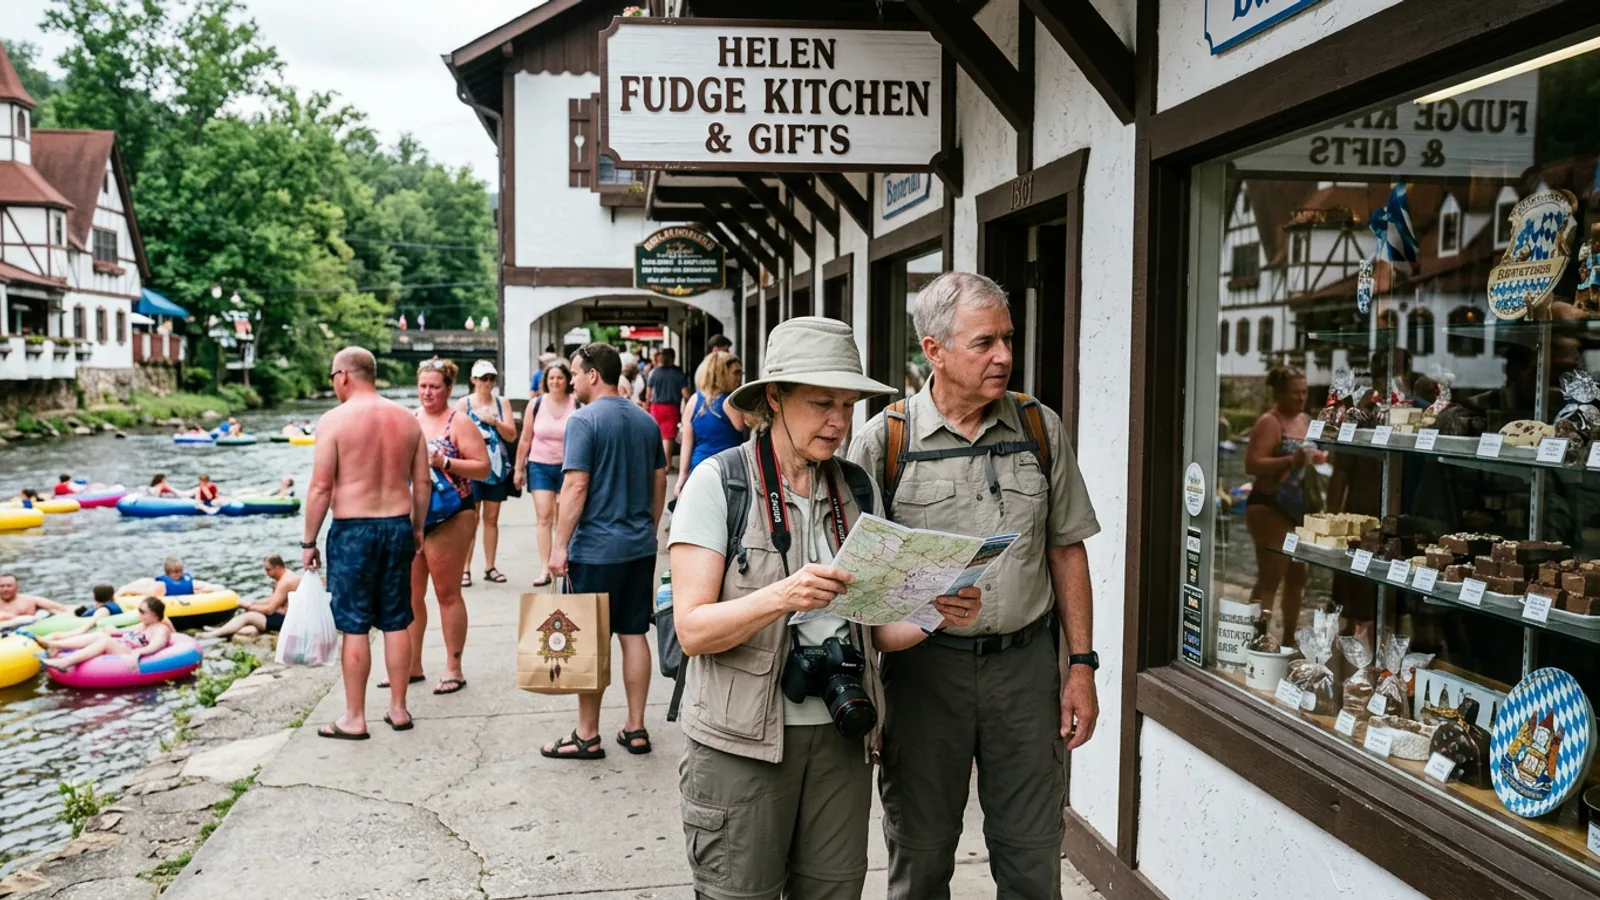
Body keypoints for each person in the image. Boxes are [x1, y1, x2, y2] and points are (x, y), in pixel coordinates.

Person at [670, 316, 981, 898]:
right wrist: (781, 596)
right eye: (821, 403)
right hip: (742, 748)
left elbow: (873, 632)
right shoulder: (719, 484)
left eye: (847, 404)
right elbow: (691, 630)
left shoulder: (858, 489)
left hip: (844, 734)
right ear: (773, 399)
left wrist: (931, 611)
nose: (839, 421)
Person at [848, 272, 1102, 900]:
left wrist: (1081, 667)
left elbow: (1067, 550)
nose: (1005, 356)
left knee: (1031, 856)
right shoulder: (886, 440)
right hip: (923, 677)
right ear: (933, 350)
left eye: (1008, 339)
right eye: (985, 342)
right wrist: (871, 690)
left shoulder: (1039, 429)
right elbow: (857, 583)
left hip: (1026, 674)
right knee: (921, 855)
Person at [540, 342, 665, 760]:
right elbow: (658, 482)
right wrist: (646, 525)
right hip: (638, 547)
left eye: (575, 373)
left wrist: (559, 547)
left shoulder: (584, 421)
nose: (571, 380)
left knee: (588, 641)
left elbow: (575, 486)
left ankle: (587, 734)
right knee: (634, 634)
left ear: (594, 374)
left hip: (594, 550)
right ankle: (635, 728)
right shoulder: (646, 421)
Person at [302, 345, 431, 739]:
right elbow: (422, 481)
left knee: (355, 626)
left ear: (343, 375)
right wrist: (417, 527)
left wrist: (309, 541)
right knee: (396, 620)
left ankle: (354, 718)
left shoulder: (335, 420)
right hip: (396, 526)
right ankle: (399, 709)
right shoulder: (407, 419)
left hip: (353, 530)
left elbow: (321, 486)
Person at [404, 357, 489, 696]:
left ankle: (454, 667)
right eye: (423, 386)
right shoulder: (410, 419)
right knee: (410, 595)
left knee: (446, 592)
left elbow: (483, 469)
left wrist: (446, 461)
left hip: (452, 515)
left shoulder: (460, 422)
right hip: (414, 517)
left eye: (434, 386)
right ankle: (411, 664)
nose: (427, 392)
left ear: (449, 388)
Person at [1247, 366, 1324, 638]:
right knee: (1271, 575)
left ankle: (1289, 639)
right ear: (1280, 393)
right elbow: (1252, 464)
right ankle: (1255, 637)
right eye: (1295, 393)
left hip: (1298, 509)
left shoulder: (1305, 420)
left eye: (1304, 392)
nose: (1301, 398)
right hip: (1269, 506)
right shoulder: (1269, 422)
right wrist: (1288, 460)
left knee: (1297, 577)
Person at [513, 361, 579, 588]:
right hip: (539, 465)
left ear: (567, 380)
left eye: (560, 377)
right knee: (544, 518)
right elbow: (525, 439)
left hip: (568, 466)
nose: (555, 382)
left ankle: (564, 562)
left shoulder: (576, 403)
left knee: (564, 517)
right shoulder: (536, 404)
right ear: (545, 381)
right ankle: (545, 568)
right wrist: (518, 468)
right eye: (551, 378)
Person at [457, 360, 518, 586]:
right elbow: (454, 435)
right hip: (471, 468)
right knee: (469, 519)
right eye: (483, 379)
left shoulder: (502, 403)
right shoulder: (464, 404)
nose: (487, 383)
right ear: (473, 380)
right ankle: (465, 568)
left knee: (491, 519)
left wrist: (495, 422)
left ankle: (490, 566)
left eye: (491, 378)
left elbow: (512, 435)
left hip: (496, 468)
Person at [673, 350, 745, 500]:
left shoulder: (694, 400)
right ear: (722, 373)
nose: (740, 378)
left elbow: (687, 442)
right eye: (736, 373)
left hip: (698, 468)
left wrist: (682, 476)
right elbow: (744, 429)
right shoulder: (730, 403)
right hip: (728, 472)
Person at [41, 597, 171, 671]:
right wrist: (110, 630)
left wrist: (139, 653)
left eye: (142, 611)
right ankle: (56, 645)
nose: (139, 614)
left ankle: (64, 662)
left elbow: (156, 645)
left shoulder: (160, 629)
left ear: (154, 614)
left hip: (128, 653)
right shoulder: (143, 625)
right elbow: (121, 632)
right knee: (101, 635)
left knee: (104, 641)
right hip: (122, 646)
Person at [203, 554, 301, 639]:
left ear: (278, 567)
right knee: (249, 619)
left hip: (284, 621)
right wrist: (253, 602)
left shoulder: (284, 583)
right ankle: (221, 630)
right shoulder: (286, 576)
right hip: (284, 617)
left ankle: (213, 634)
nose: (267, 574)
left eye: (268, 570)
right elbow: (273, 599)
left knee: (248, 616)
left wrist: (248, 606)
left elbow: (270, 609)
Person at [646, 347, 691, 470]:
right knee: (668, 438)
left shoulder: (654, 373)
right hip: (671, 408)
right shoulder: (679, 374)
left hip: (655, 407)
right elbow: (686, 394)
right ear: (673, 358)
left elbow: (648, 394)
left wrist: (647, 407)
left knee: (658, 436)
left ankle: (658, 463)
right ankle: (667, 465)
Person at [0, 573, 71, 623]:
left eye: (9, 586)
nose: (5, 589)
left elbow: (61, 608)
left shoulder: (30, 600)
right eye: (2, 586)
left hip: (30, 628)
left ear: (16, 587)